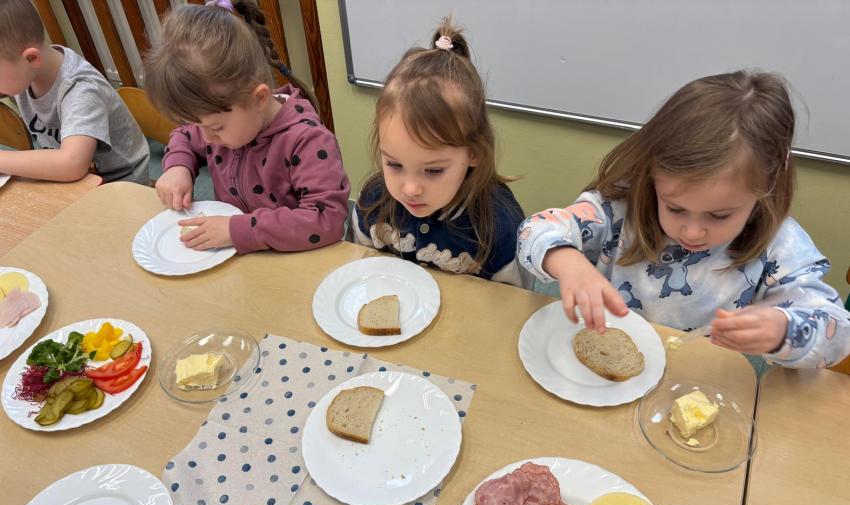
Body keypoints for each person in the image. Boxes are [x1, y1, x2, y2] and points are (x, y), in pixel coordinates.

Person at [517, 71, 850, 368]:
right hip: (611, 375)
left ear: (766, 187)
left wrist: (784, 331)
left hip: (702, 382)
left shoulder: (781, 246)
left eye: (719, 215)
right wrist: (568, 263)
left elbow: (838, 335)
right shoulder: (619, 208)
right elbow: (535, 230)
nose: (692, 232)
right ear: (653, 178)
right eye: (675, 208)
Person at [146, 0, 349, 253]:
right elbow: (185, 137)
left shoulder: (307, 141)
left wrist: (236, 230)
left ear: (259, 98)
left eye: (216, 128)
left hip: (293, 258)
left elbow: (326, 220)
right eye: (198, 125)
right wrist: (178, 167)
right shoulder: (223, 121)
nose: (206, 138)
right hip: (237, 253)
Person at [351, 18, 526, 286]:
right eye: (394, 165)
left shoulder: (499, 223)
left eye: (433, 170)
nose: (410, 189)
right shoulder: (373, 201)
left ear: (474, 152)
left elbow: (513, 301)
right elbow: (358, 267)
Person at [0, 0, 149, 184]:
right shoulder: (23, 72)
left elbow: (71, 164)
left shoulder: (81, 88)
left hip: (121, 184)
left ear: (31, 58)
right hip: (75, 182)